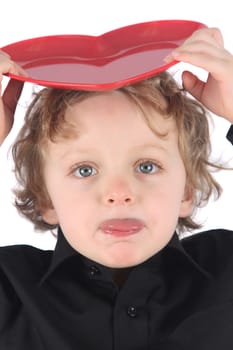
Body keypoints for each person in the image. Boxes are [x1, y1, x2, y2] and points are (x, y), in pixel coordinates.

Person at [0, 26, 233, 349]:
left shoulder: (226, 270)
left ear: (186, 190)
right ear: (45, 198)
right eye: (85, 170)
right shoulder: (10, 290)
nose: (119, 192)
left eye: (146, 166)